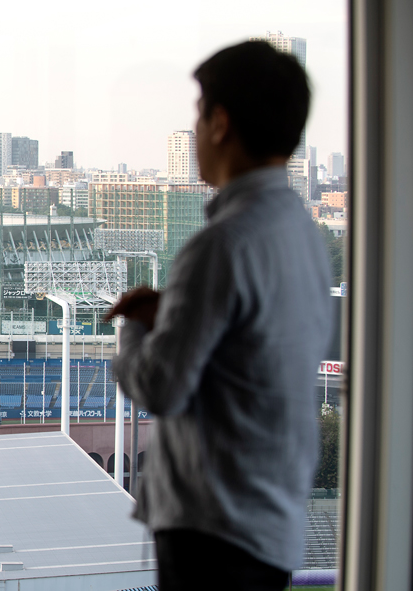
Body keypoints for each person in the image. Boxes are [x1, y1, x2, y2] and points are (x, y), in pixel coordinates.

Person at [106, 41, 332, 591]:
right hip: (271, 522)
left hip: (210, 529)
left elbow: (161, 388)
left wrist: (133, 325)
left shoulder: (221, 246)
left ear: (221, 122)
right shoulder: (304, 236)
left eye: (198, 112)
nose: (195, 129)